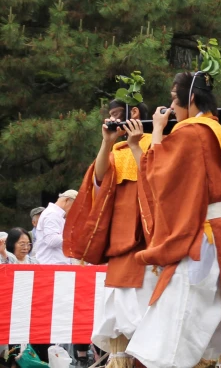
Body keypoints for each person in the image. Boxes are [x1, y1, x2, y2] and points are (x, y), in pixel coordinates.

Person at [125, 71, 221, 368]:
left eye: (172, 98)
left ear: (190, 97)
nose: (170, 106)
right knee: (216, 315)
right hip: (219, 233)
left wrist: (156, 132)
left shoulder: (191, 132)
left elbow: (159, 178)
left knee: (180, 314)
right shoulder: (214, 130)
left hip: (200, 238)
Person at [62, 99, 155, 368]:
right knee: (119, 316)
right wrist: (106, 141)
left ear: (134, 113)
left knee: (151, 314)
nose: (112, 121)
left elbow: (160, 182)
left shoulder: (158, 140)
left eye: (117, 116)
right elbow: (99, 179)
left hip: (151, 237)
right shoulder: (118, 149)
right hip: (120, 242)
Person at [35, 189, 77, 265]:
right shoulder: (52, 214)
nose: (74, 211)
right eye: (74, 207)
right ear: (67, 200)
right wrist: (74, 235)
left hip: (57, 266)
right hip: (51, 266)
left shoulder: (58, 215)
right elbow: (51, 240)